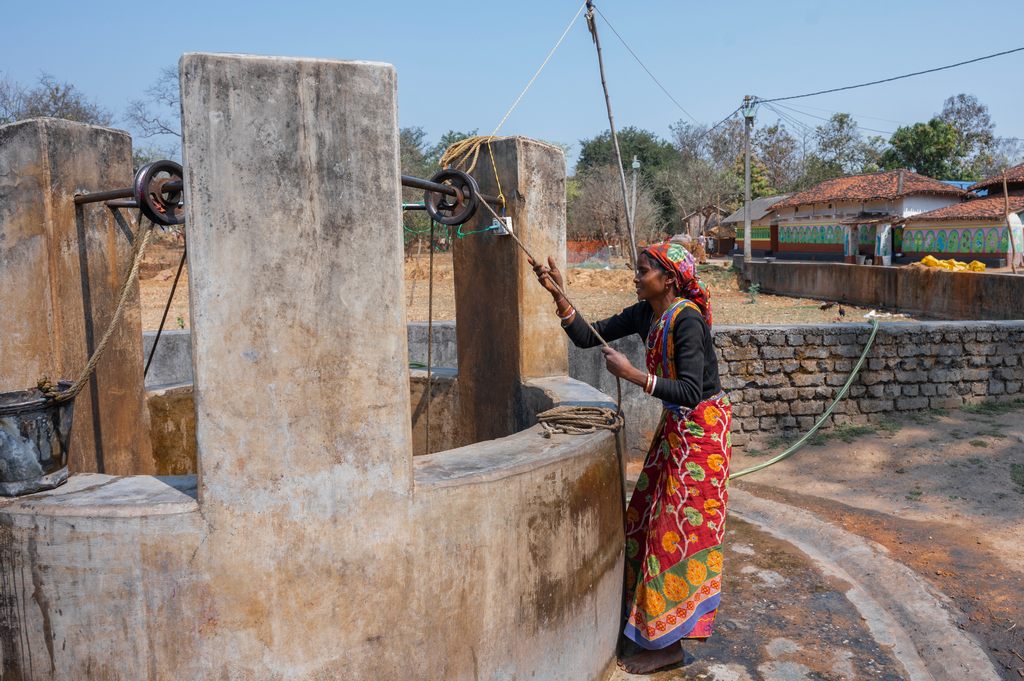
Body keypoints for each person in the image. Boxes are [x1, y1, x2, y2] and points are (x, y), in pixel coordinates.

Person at [529, 244, 732, 675]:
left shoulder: (687, 320)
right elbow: (588, 336)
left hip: (702, 434)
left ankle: (670, 645)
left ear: (669, 278)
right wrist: (558, 294)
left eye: (643, 272)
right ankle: (647, 626)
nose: (635, 278)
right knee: (642, 518)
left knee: (673, 532)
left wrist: (633, 374)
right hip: (676, 428)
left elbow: (691, 392)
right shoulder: (646, 313)